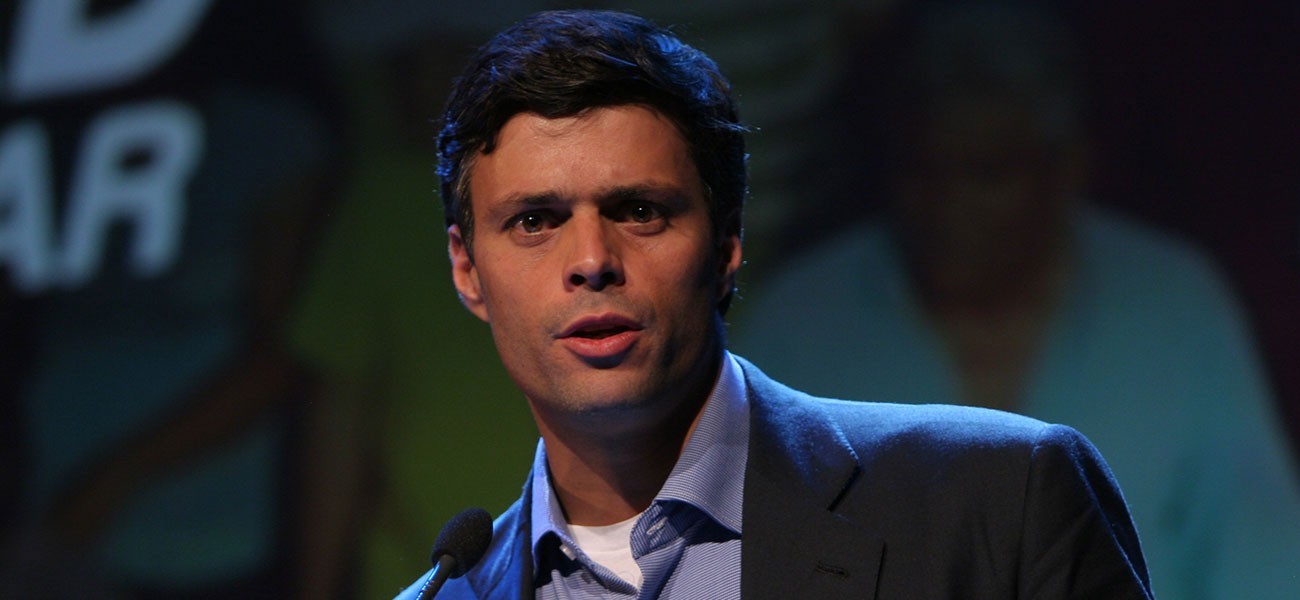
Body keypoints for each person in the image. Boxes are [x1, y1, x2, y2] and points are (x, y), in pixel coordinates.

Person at [397, 10, 1152, 599]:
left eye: (640, 212)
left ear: (727, 244)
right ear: (467, 269)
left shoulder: (1001, 502)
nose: (592, 261)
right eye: (535, 221)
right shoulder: (444, 595)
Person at [731, 4, 1300, 598]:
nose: (948, 206)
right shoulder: (804, 317)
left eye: (986, 175)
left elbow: (1263, 558)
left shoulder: (1173, 304)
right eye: (923, 171)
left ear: (1066, 170)